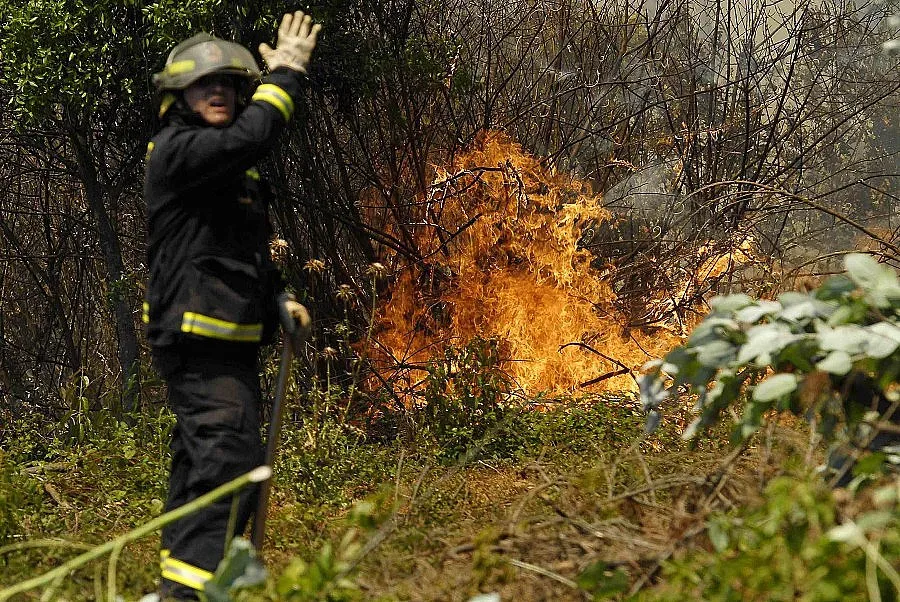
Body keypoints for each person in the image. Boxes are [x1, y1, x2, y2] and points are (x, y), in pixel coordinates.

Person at [143, 12, 319, 600]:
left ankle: (175, 587)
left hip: (230, 342)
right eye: (204, 85)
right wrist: (288, 74)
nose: (218, 92)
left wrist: (279, 298)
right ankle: (191, 594)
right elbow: (255, 133)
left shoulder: (229, 174)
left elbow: (237, 254)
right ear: (178, 99)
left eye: (229, 85)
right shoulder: (179, 152)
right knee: (232, 463)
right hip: (198, 343)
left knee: (203, 465)